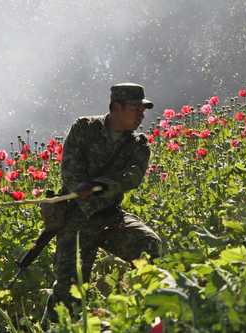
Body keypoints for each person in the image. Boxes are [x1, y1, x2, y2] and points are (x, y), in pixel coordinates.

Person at [44, 83, 161, 322]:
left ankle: (141, 313)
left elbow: (133, 177)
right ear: (116, 107)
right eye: (135, 108)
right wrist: (80, 188)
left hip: (110, 216)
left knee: (149, 245)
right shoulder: (84, 128)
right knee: (68, 294)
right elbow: (70, 170)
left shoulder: (138, 144)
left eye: (143, 109)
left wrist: (101, 185)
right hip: (75, 219)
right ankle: (51, 326)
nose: (141, 114)